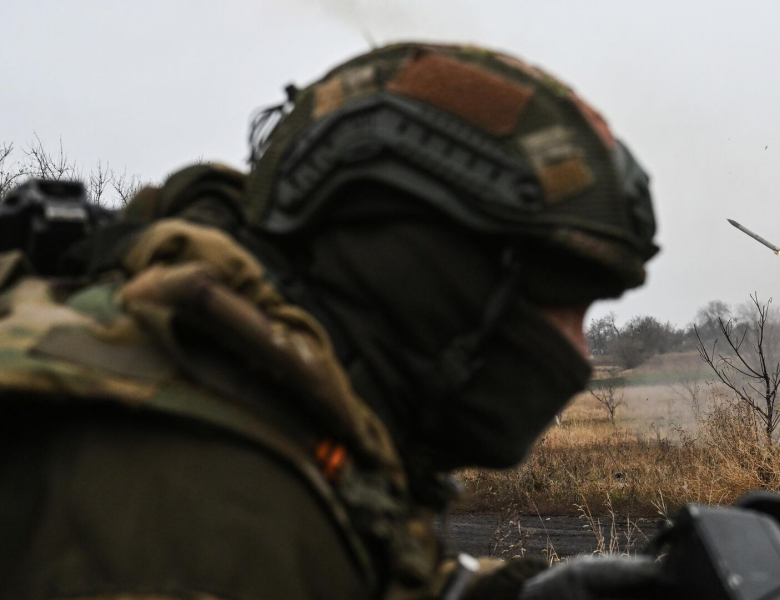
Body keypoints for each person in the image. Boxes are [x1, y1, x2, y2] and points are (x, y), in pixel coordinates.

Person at [0, 42, 658, 600]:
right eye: (561, 304)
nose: (576, 353)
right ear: (425, 274)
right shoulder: (193, 493)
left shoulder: (275, 414)